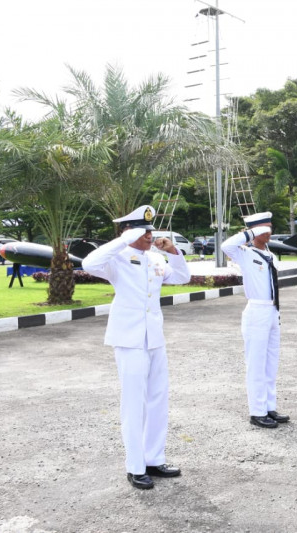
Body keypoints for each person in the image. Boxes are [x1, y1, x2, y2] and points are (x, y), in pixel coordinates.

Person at [82, 205, 191, 490]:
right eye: (143, 231)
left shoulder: (155, 258)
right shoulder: (116, 257)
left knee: (158, 399)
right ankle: (135, 466)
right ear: (128, 231)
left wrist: (173, 252)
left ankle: (154, 458)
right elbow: (88, 263)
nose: (150, 235)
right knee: (134, 402)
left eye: (151, 231)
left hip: (154, 337)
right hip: (129, 339)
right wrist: (124, 239)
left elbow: (182, 277)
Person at [220, 212, 290, 429]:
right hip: (256, 311)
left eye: (269, 227)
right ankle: (257, 411)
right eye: (265, 228)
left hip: (272, 311)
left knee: (270, 362)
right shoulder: (244, 253)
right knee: (256, 363)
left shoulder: (269, 253)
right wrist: (250, 233)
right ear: (255, 231)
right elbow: (226, 246)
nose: (269, 232)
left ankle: (269, 406)